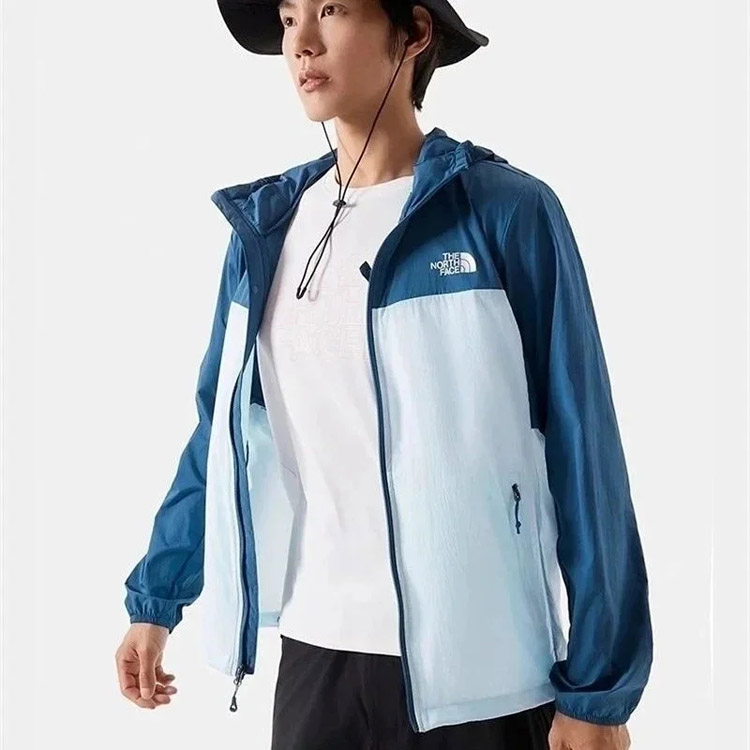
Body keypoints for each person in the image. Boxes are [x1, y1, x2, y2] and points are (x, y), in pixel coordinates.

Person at [115, 1, 653, 748]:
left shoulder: (504, 213)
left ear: (415, 32)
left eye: (332, 9)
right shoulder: (267, 229)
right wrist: (155, 598)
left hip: (484, 674)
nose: (301, 43)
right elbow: (223, 435)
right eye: (289, 16)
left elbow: (583, 449)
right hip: (317, 652)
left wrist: (598, 693)